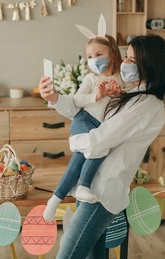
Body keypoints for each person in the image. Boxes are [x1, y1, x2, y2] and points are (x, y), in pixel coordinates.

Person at [38, 34, 165, 259]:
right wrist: (54, 98)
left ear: (149, 64)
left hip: (102, 192)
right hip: (93, 188)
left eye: (131, 59)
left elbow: (99, 140)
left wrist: (74, 142)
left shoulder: (146, 105)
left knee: (67, 258)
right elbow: (85, 110)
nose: (125, 63)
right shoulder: (131, 93)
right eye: (126, 57)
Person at [43, 34, 134, 221]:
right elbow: (77, 100)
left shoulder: (120, 78)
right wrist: (96, 96)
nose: (94, 60)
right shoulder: (91, 79)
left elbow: (129, 100)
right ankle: (82, 186)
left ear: (112, 53)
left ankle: (55, 200)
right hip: (84, 120)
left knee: (83, 155)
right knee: (97, 146)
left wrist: (119, 93)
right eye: (90, 56)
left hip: (101, 127)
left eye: (99, 54)